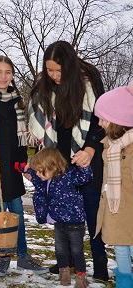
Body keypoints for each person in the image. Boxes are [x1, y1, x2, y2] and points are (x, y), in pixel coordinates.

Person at [27, 40, 109, 281]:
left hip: (86, 158)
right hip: (59, 163)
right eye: (49, 70)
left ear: (70, 66)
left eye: (59, 71)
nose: (54, 76)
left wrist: (91, 149)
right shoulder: (44, 86)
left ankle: (100, 262)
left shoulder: (89, 79)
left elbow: (100, 118)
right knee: (63, 213)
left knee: (92, 213)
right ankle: (68, 262)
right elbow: (39, 121)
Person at [0, 56, 48, 277]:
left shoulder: (18, 101)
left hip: (11, 166)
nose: (3, 77)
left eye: (8, 72)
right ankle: (3, 258)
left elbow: (20, 138)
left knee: (17, 211)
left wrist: (22, 161)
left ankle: (22, 256)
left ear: (12, 75)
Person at [22, 147, 92, 287]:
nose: (37, 174)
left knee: (77, 252)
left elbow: (85, 177)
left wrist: (85, 166)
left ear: (53, 166)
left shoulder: (69, 176)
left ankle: (81, 278)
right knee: (60, 251)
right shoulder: (45, 180)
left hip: (75, 224)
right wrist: (27, 169)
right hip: (59, 223)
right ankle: (64, 274)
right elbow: (34, 176)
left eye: (40, 170)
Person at [93, 82, 133, 288]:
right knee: (120, 247)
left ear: (118, 120)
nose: (99, 123)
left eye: (103, 118)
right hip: (116, 208)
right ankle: (125, 282)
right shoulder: (110, 145)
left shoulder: (130, 149)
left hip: (130, 209)